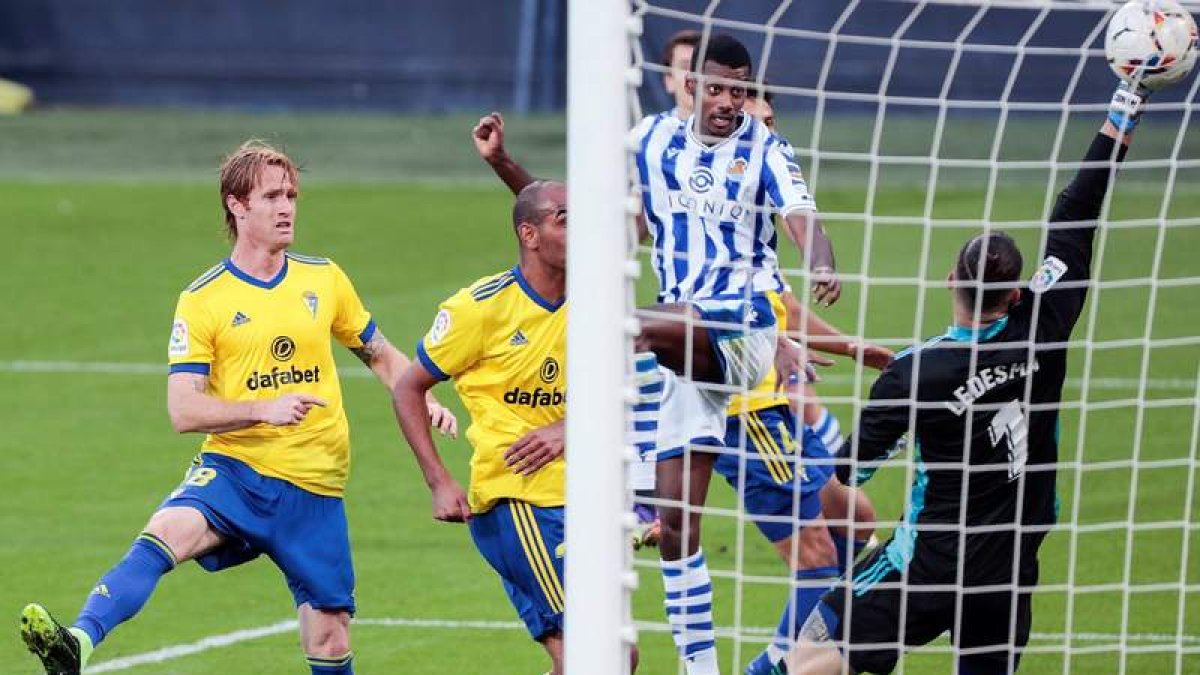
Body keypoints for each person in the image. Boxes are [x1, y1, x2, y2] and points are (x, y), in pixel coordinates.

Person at [19, 141, 456, 675]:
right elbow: (183, 410)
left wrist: (421, 394)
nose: (286, 207)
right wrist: (262, 410)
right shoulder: (204, 299)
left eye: (291, 194)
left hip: (315, 487)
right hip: (237, 471)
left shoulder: (324, 279)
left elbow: (381, 355)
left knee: (330, 632)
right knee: (166, 531)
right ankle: (77, 645)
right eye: (272, 195)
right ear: (237, 205)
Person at [789, 81, 1155, 675]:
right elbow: (1076, 215)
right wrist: (1123, 112)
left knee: (811, 646)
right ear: (1016, 292)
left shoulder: (916, 371)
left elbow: (846, 477)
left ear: (946, 279)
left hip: (928, 561)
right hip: (1011, 559)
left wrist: (810, 425)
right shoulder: (1044, 322)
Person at [394, 182, 633, 675]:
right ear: (530, 234)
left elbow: (626, 388)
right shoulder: (479, 308)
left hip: (579, 502)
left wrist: (571, 427)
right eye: (565, 218)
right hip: (518, 501)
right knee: (604, 657)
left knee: (593, 661)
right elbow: (407, 386)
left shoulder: (599, 300)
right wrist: (439, 481)